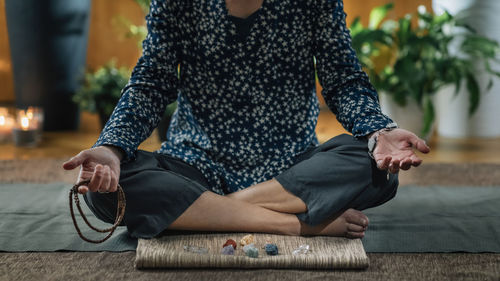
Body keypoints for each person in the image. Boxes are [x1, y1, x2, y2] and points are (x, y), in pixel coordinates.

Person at [63, 0, 430, 239]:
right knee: (108, 189)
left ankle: (205, 213)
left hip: (292, 165)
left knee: (378, 170)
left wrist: (379, 131)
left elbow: (343, 79)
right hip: (194, 162)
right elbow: (151, 83)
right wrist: (110, 148)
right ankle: (297, 225)